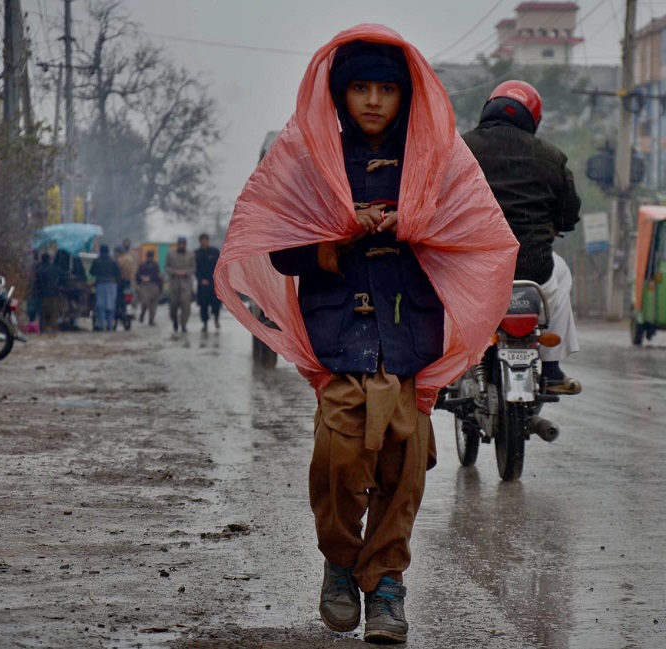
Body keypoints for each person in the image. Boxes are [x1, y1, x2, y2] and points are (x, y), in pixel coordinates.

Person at [211, 25, 518, 644]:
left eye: (386, 89)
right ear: (340, 93)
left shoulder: (438, 160)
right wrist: (337, 234)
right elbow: (282, 253)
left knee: (405, 462)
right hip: (340, 335)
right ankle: (339, 562)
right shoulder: (307, 160)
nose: (374, 100)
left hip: (408, 334)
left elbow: (477, 235)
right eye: (360, 88)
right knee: (339, 457)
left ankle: (385, 586)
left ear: (407, 97)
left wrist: (417, 223)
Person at [462, 80, 583, 395]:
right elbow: (569, 212)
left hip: (474, 267)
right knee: (562, 274)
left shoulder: (461, 149)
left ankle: (446, 366)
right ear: (534, 118)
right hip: (533, 266)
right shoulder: (551, 156)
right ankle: (553, 370)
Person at [165, 236, 195, 333]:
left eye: (183, 243)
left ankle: (183, 324)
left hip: (186, 284)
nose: (181, 245)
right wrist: (174, 272)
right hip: (174, 283)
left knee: (185, 306)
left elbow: (193, 268)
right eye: (180, 243)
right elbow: (166, 267)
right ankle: (175, 321)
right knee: (173, 305)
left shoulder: (190, 255)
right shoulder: (171, 254)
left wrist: (185, 272)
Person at [89, 244, 120, 331]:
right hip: (112, 285)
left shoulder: (97, 261)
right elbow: (118, 272)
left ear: (100, 251)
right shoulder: (113, 261)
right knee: (111, 306)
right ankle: (110, 325)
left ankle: (101, 325)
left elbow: (91, 272)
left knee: (100, 306)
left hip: (101, 284)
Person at [194, 233, 221, 332]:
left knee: (216, 304)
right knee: (203, 306)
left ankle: (216, 319)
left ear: (208, 241)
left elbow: (219, 266)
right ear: (200, 242)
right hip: (202, 285)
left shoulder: (214, 252)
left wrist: (214, 279)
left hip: (214, 283)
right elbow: (195, 269)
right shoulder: (196, 254)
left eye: (206, 240)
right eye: (202, 241)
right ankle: (205, 324)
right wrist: (201, 279)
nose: (204, 242)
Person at [33, 252, 61, 335]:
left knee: (43, 314)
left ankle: (42, 330)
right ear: (49, 259)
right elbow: (60, 278)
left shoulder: (39, 269)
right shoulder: (54, 268)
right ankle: (53, 330)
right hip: (53, 294)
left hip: (42, 295)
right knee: (53, 313)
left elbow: (37, 283)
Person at [135, 250, 162, 325]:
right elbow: (137, 276)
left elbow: (158, 277)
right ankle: (142, 314)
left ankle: (151, 320)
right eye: (148, 257)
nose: (149, 259)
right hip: (144, 287)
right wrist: (142, 279)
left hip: (153, 286)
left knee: (153, 306)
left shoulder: (155, 266)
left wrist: (159, 288)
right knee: (145, 302)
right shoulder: (142, 265)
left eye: (151, 257)